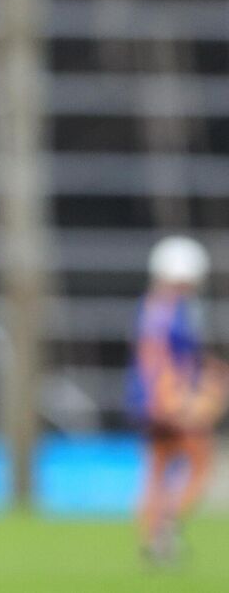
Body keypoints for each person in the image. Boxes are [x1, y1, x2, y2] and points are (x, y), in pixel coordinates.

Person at [128, 235, 227, 564]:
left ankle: (155, 540)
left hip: (154, 396)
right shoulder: (168, 307)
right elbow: (155, 355)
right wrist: (169, 398)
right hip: (167, 398)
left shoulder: (159, 304)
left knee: (158, 467)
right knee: (199, 462)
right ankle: (165, 527)